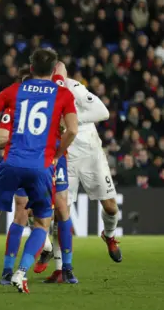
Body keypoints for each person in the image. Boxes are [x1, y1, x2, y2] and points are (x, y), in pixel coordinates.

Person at [0, 48, 78, 293]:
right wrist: (56, 156)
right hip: (41, 167)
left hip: (11, 163)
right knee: (42, 223)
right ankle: (21, 272)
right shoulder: (62, 94)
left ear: (30, 69)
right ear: (53, 72)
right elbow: (71, 130)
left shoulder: (14, 90)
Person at [38, 62, 123, 283]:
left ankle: (110, 235)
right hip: (66, 157)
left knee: (111, 207)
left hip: (91, 153)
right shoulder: (41, 94)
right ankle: (60, 268)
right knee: (61, 212)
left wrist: (71, 120)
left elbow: (102, 112)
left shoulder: (73, 87)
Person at [0, 66, 76, 285]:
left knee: (61, 207)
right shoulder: (14, 106)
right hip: (24, 158)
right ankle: (8, 270)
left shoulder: (55, 91)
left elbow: (61, 70)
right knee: (21, 210)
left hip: (53, 157)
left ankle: (66, 267)